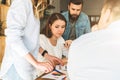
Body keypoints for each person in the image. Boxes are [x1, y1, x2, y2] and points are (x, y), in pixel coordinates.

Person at [0, 0, 57, 80]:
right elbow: (13, 39)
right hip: (16, 68)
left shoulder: (33, 6)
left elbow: (31, 40)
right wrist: (36, 63)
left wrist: (45, 55)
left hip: (26, 67)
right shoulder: (22, 2)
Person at [67, 0, 120, 80]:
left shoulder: (78, 44)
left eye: (101, 14)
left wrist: (95, 33)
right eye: (73, 9)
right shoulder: (62, 17)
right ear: (68, 7)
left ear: (106, 14)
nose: (75, 12)